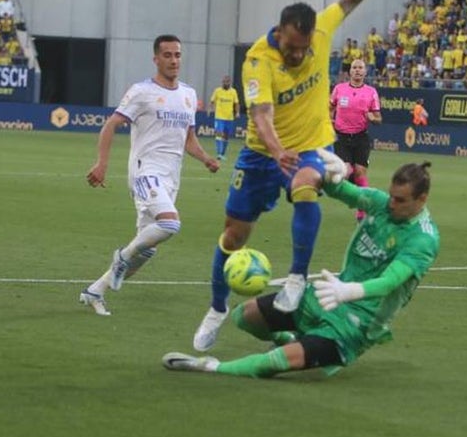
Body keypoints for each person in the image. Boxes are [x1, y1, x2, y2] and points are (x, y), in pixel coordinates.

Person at [192, 0, 371, 352]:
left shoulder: (320, 31)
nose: (296, 54)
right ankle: (217, 308)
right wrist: (276, 150)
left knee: (306, 187)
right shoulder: (258, 59)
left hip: (308, 147)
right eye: (291, 47)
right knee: (233, 236)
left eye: (302, 49)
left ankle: (296, 277)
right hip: (260, 155)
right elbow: (261, 113)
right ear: (280, 31)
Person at [164, 160, 439, 378]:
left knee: (275, 363)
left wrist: (349, 291)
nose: (392, 204)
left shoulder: (422, 240)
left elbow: (391, 281)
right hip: (326, 296)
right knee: (244, 316)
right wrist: (333, 173)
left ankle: (211, 367)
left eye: (400, 200)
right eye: (392, 196)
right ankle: (289, 339)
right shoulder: (380, 204)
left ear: (422, 199)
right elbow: (343, 191)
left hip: (357, 323)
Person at [79, 35, 220, 316]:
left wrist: (205, 159)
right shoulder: (141, 91)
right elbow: (111, 124)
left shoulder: (189, 95)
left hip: (171, 178)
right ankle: (120, 257)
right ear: (156, 59)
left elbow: (188, 138)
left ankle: (95, 290)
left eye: (177, 55)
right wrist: (102, 163)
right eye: (167, 55)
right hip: (145, 172)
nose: (173, 60)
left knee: (145, 251)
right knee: (170, 225)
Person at [330, 58, 382, 221]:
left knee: (360, 172)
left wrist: (372, 117)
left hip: (361, 137)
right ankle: (357, 197)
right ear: (350, 72)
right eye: (355, 68)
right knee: (347, 171)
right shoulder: (339, 89)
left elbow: (379, 118)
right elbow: (330, 109)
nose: (358, 70)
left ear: (365, 72)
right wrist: (329, 122)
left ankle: (362, 210)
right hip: (342, 137)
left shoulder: (371, 92)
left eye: (361, 67)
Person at [209, 75, 240, 161]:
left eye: (227, 82)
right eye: (224, 82)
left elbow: (236, 103)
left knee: (226, 136)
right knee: (219, 135)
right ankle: (219, 153)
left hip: (229, 118)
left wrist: (237, 112)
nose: (225, 83)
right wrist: (210, 109)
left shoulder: (233, 92)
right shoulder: (217, 91)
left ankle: (222, 154)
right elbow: (212, 101)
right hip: (219, 117)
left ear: (230, 83)